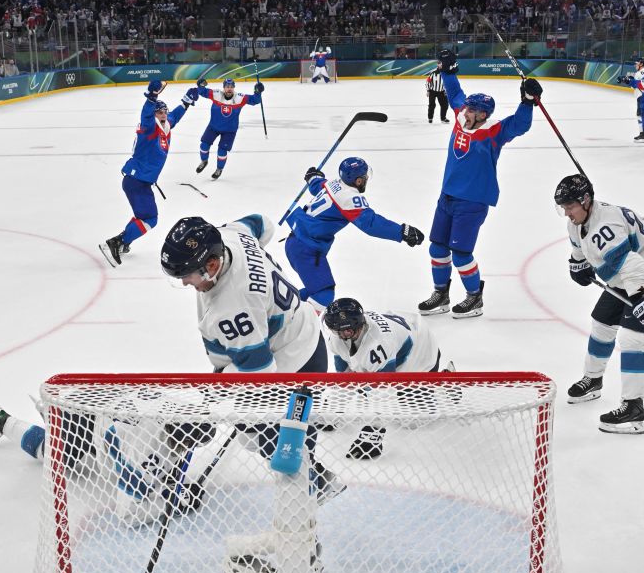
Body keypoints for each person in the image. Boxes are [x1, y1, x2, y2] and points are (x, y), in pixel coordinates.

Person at [159, 213, 343, 498]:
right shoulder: (230, 234)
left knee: (279, 445)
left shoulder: (233, 307)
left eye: (187, 275)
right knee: (259, 430)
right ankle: (313, 479)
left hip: (295, 364)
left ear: (212, 265)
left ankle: (314, 490)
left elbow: (260, 374)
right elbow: (261, 223)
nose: (184, 283)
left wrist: (214, 400)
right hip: (300, 331)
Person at [418, 48, 540, 319]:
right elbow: (455, 93)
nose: (467, 111)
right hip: (447, 195)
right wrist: (449, 70)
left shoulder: (494, 131)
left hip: (473, 200)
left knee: (461, 252)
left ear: (483, 114)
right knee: (437, 247)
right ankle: (441, 293)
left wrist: (528, 101)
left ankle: (474, 298)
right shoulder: (462, 116)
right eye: (469, 107)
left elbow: (519, 125)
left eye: (473, 110)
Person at [554, 173, 644, 435]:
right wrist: (578, 262)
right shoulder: (578, 221)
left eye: (570, 206)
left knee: (633, 338)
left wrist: (641, 300)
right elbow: (580, 244)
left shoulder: (606, 228)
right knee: (601, 323)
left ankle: (633, 408)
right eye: (563, 208)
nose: (567, 213)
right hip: (625, 272)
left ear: (585, 200)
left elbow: (633, 264)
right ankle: (594, 380)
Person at [0, 396, 212, 526]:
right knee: (56, 455)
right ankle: (0, 419)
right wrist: (170, 504)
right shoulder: (143, 453)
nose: (189, 449)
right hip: (85, 420)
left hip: (97, 405)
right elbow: (128, 515)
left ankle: (55, 417)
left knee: (106, 437)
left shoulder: (172, 407)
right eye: (188, 443)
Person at [285, 157, 425, 307]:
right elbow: (371, 223)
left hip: (296, 241)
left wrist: (313, 177)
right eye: (364, 177)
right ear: (358, 180)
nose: (366, 180)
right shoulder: (349, 198)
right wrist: (402, 232)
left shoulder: (334, 183)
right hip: (307, 249)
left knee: (317, 289)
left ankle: (284, 306)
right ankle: (293, 319)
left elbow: (317, 186)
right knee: (323, 294)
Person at [322, 297, 450, 459]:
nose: (340, 335)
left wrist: (373, 434)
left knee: (414, 421)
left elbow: (384, 394)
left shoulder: (378, 345)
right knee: (364, 382)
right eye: (336, 331)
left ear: (355, 327)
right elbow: (345, 377)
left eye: (344, 331)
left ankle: (444, 384)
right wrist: (333, 412)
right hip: (398, 333)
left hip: (419, 350)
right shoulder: (340, 337)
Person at [99, 80, 199, 267]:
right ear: (154, 114)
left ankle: (124, 242)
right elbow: (146, 116)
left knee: (142, 217)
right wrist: (152, 97)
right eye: (159, 112)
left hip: (140, 182)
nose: (163, 115)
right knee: (150, 218)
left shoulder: (165, 126)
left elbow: (175, 116)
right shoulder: (149, 128)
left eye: (164, 112)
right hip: (136, 181)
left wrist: (186, 102)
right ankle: (115, 243)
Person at [192, 76, 263, 180]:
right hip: (213, 126)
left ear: (234, 88)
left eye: (231, 86)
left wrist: (258, 92)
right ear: (223, 88)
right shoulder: (216, 94)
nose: (229, 88)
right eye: (227, 86)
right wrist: (200, 85)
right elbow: (202, 92)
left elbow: (255, 100)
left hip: (230, 130)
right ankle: (204, 161)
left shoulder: (240, 98)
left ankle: (219, 169)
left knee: (222, 151)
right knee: (204, 145)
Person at [616, 56, 644, 141]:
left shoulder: (643, 72)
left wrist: (627, 80)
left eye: (637, 63)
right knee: (640, 115)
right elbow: (636, 83)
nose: (635, 65)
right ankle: (642, 134)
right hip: (643, 96)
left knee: (642, 115)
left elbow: (640, 84)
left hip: (643, 96)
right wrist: (626, 80)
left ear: (641, 64)